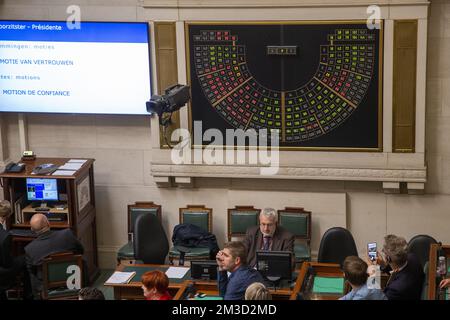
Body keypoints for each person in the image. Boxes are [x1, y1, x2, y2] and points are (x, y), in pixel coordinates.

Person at [24, 213, 84, 299]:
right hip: (74, 282)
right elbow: (81, 251)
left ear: (32, 229)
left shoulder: (30, 249)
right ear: (48, 223)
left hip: (48, 289)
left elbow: (32, 273)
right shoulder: (68, 235)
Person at [370, 234, 424, 300]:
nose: (382, 251)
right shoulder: (413, 258)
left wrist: (372, 270)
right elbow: (396, 266)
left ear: (388, 258)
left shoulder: (396, 289)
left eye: (384, 251)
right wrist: (383, 265)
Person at [0, 200, 32, 300]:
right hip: (3, 272)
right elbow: (7, 263)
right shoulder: (5, 236)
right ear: (6, 216)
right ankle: (28, 296)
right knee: (27, 259)